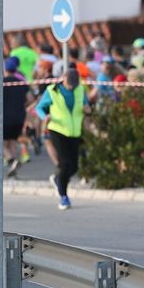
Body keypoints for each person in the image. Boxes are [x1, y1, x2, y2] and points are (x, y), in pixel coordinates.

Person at [37, 66, 86, 210]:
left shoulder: (80, 89)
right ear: (63, 79)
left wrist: (88, 109)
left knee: (74, 166)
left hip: (74, 131)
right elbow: (39, 108)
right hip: (57, 129)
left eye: (74, 84)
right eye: (69, 84)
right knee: (64, 163)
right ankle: (63, 197)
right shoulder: (52, 90)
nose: (71, 87)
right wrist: (44, 116)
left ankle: (59, 179)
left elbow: (84, 104)